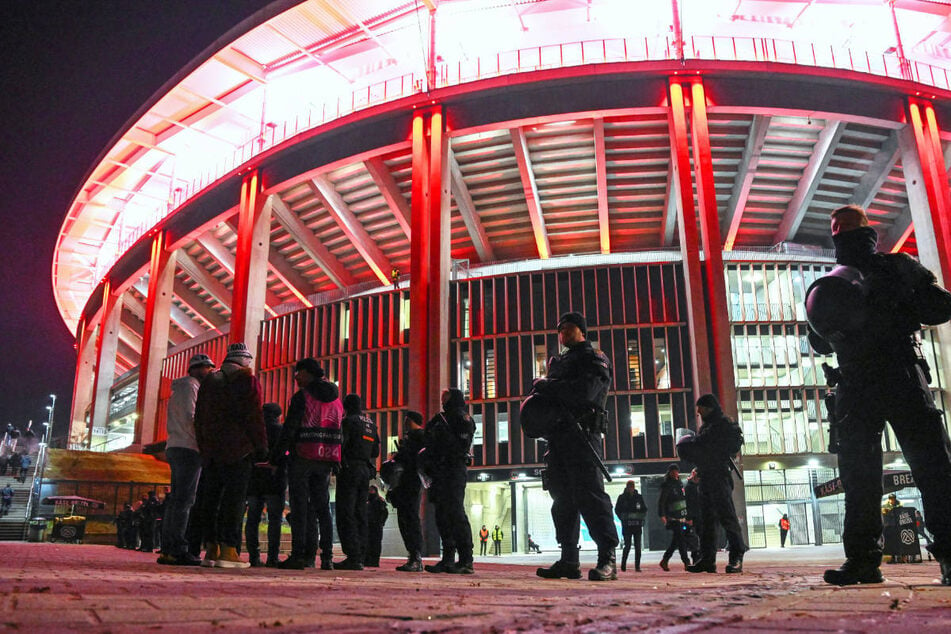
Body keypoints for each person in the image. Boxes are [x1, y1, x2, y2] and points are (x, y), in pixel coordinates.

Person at [807, 204, 951, 586]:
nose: (841, 236)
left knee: (898, 470)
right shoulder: (881, 270)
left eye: (842, 230)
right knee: (905, 469)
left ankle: (868, 561)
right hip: (876, 376)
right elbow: (939, 306)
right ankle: (873, 561)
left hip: (879, 375)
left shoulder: (887, 268)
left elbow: (938, 307)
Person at [532, 312, 619, 582]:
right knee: (562, 501)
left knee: (590, 496)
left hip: (583, 435)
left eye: (569, 329)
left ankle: (608, 559)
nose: (563, 334)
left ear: (582, 331)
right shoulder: (560, 362)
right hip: (558, 438)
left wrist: (548, 386)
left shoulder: (594, 359)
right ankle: (569, 560)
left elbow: (584, 393)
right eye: (560, 330)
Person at [194, 342, 268, 569]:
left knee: (211, 498)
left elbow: (199, 417)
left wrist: (204, 446)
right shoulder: (247, 380)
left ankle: (211, 550)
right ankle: (229, 550)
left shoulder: (210, 381)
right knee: (234, 500)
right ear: (244, 360)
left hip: (212, 450)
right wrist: (261, 446)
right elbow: (253, 415)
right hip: (238, 450)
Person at [273, 357, 343, 571]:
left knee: (300, 507)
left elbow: (290, 429)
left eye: (298, 372)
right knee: (322, 509)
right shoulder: (336, 401)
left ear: (308, 373)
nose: (295, 377)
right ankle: (327, 558)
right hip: (326, 458)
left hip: (303, 456)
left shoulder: (302, 397)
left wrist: (276, 457)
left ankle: (299, 556)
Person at [158, 353, 215, 566]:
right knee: (184, 501)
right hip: (188, 448)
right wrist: (207, 439)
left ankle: (168, 549)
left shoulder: (181, 388)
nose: (210, 372)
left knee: (176, 500)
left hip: (176, 446)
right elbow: (193, 418)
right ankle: (177, 549)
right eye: (207, 368)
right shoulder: (191, 387)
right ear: (197, 369)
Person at [681, 394, 748, 574]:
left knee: (727, 516)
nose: (698, 412)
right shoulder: (706, 427)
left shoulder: (724, 424)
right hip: (706, 476)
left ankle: (736, 555)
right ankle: (707, 559)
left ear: (708, 407)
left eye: (701, 408)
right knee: (707, 521)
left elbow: (732, 445)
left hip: (719, 474)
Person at [421, 388, 476, 575]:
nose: (442, 400)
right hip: (439, 471)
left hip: (453, 469)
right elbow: (427, 438)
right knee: (442, 514)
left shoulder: (462, 418)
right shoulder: (439, 419)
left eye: (446, 397)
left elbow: (460, 444)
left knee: (455, 512)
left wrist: (441, 441)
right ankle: (448, 559)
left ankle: (466, 559)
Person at [335, 393, 380, 571]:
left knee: (346, 511)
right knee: (361, 512)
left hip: (349, 469)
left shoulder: (348, 422)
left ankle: (352, 555)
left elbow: (341, 445)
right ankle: (361, 554)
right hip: (364, 471)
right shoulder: (371, 423)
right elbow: (375, 451)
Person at [245, 403, 286, 568]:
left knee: (253, 518)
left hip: (254, 479)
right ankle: (272, 557)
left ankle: (254, 556)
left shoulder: (254, 431)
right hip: (275, 479)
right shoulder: (281, 430)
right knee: (275, 519)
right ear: (279, 416)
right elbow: (287, 452)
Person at [387, 410, 426, 572]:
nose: (404, 423)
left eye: (406, 420)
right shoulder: (413, 437)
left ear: (411, 420)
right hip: (406, 482)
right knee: (406, 518)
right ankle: (413, 556)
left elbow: (411, 459)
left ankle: (415, 557)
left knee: (409, 518)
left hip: (410, 482)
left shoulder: (419, 437)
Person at [658, 464, 690, 572]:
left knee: (676, 541)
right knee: (680, 540)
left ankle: (665, 560)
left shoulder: (680, 484)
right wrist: (662, 515)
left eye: (676, 471)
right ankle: (686, 562)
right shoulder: (667, 485)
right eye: (673, 471)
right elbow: (662, 501)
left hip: (682, 516)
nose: (675, 473)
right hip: (673, 517)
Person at [614, 480, 647, 572]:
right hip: (627, 525)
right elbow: (617, 510)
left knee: (638, 546)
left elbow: (644, 509)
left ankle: (637, 566)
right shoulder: (622, 498)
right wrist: (622, 518)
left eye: (632, 487)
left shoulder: (639, 497)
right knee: (627, 545)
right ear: (627, 487)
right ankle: (623, 565)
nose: (631, 489)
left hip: (637, 525)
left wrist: (641, 518)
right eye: (629, 487)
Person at [364, 485, 388, 567]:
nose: (370, 492)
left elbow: (384, 513)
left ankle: (374, 561)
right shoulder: (367, 501)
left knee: (375, 544)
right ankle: (367, 560)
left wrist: (381, 522)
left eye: (372, 490)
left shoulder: (379, 501)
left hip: (376, 525)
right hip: (368, 525)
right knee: (367, 543)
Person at [684, 468, 702, 564]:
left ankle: (701, 556)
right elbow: (688, 503)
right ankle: (695, 556)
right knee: (693, 538)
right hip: (693, 516)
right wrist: (688, 517)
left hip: (701, 516)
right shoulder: (689, 487)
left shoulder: (700, 486)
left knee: (702, 536)